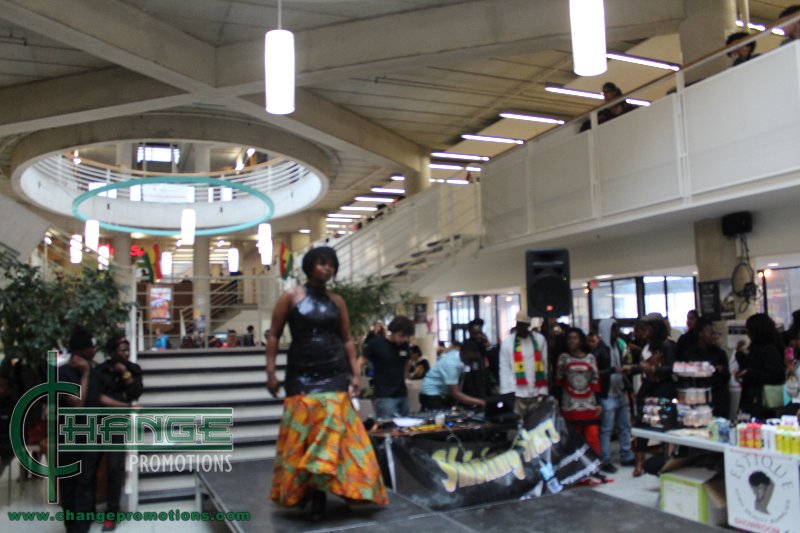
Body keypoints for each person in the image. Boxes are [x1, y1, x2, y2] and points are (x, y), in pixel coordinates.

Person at [265, 246, 387, 519]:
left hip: (333, 374)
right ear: (310, 266)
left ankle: (335, 491)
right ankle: (309, 492)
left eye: (331, 264)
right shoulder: (290, 296)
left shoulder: (337, 301)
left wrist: (354, 373)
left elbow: (347, 339)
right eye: (322, 263)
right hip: (300, 375)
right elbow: (273, 334)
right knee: (304, 435)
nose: (327, 268)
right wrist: (271, 371)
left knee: (331, 435)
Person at [96, 335, 143, 532]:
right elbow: (98, 397)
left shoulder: (133, 369)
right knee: (90, 467)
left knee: (115, 468)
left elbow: (136, 392)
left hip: (117, 424)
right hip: (97, 423)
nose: (126, 353)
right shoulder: (100, 370)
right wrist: (124, 401)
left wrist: (125, 374)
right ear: (112, 352)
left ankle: (112, 514)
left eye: (128, 349)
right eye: (122, 349)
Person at [59, 326, 102, 533]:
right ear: (80, 350)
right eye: (91, 347)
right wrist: (84, 374)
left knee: (86, 480)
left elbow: (98, 398)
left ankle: (83, 524)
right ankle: (72, 525)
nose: (94, 351)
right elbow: (77, 403)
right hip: (70, 436)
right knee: (69, 481)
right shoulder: (62, 373)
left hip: (91, 433)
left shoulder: (94, 370)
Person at [628, 313, 676, 477]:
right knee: (642, 424)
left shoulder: (667, 345)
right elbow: (643, 367)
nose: (645, 331)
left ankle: (666, 458)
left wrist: (654, 369)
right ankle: (640, 461)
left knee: (663, 424)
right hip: (648, 387)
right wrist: (632, 369)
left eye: (648, 328)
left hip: (663, 388)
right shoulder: (646, 346)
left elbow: (672, 368)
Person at [593, 319, 634, 473]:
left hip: (619, 391)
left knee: (625, 426)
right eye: (613, 330)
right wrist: (612, 370)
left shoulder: (616, 346)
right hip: (607, 395)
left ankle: (626, 455)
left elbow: (620, 369)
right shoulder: (599, 350)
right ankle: (605, 460)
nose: (616, 333)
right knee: (606, 430)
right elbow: (594, 374)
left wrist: (629, 387)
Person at [556, 327, 601, 456]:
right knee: (573, 438)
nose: (572, 341)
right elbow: (558, 381)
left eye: (575, 338)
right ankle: (576, 464)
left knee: (592, 436)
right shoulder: (563, 358)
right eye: (569, 338)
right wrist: (558, 403)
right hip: (570, 404)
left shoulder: (590, 358)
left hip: (589, 403)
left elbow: (595, 381)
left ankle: (595, 462)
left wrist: (598, 403)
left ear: (581, 341)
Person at [498, 312, 549, 418]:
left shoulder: (539, 339)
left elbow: (544, 365)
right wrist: (506, 394)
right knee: (517, 424)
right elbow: (504, 369)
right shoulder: (507, 343)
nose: (521, 327)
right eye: (519, 323)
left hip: (536, 392)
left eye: (523, 324)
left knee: (536, 423)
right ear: (516, 324)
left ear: (528, 325)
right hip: (516, 393)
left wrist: (544, 390)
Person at [363, 315, 414, 418]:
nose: (403, 339)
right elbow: (361, 361)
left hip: (402, 395)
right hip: (384, 396)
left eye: (406, 337)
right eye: (401, 335)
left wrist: (404, 377)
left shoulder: (404, 345)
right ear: (393, 331)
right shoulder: (377, 344)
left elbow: (407, 362)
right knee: (388, 426)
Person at [679, 317, 731, 418]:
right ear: (701, 334)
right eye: (711, 333)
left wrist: (721, 370)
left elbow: (726, 376)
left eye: (715, 334)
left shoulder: (720, 353)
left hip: (718, 397)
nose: (714, 336)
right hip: (698, 397)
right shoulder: (690, 353)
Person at [737, 313, 786, 420]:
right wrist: (740, 355)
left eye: (749, 330)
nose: (747, 333)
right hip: (751, 397)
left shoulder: (768, 349)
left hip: (761, 400)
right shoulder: (755, 347)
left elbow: (776, 375)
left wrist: (751, 373)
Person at [419, 343, 487, 410]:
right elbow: (455, 393)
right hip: (431, 394)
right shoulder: (452, 365)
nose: (471, 363)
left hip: (436, 393)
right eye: (471, 359)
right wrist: (480, 402)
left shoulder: (455, 353)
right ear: (466, 352)